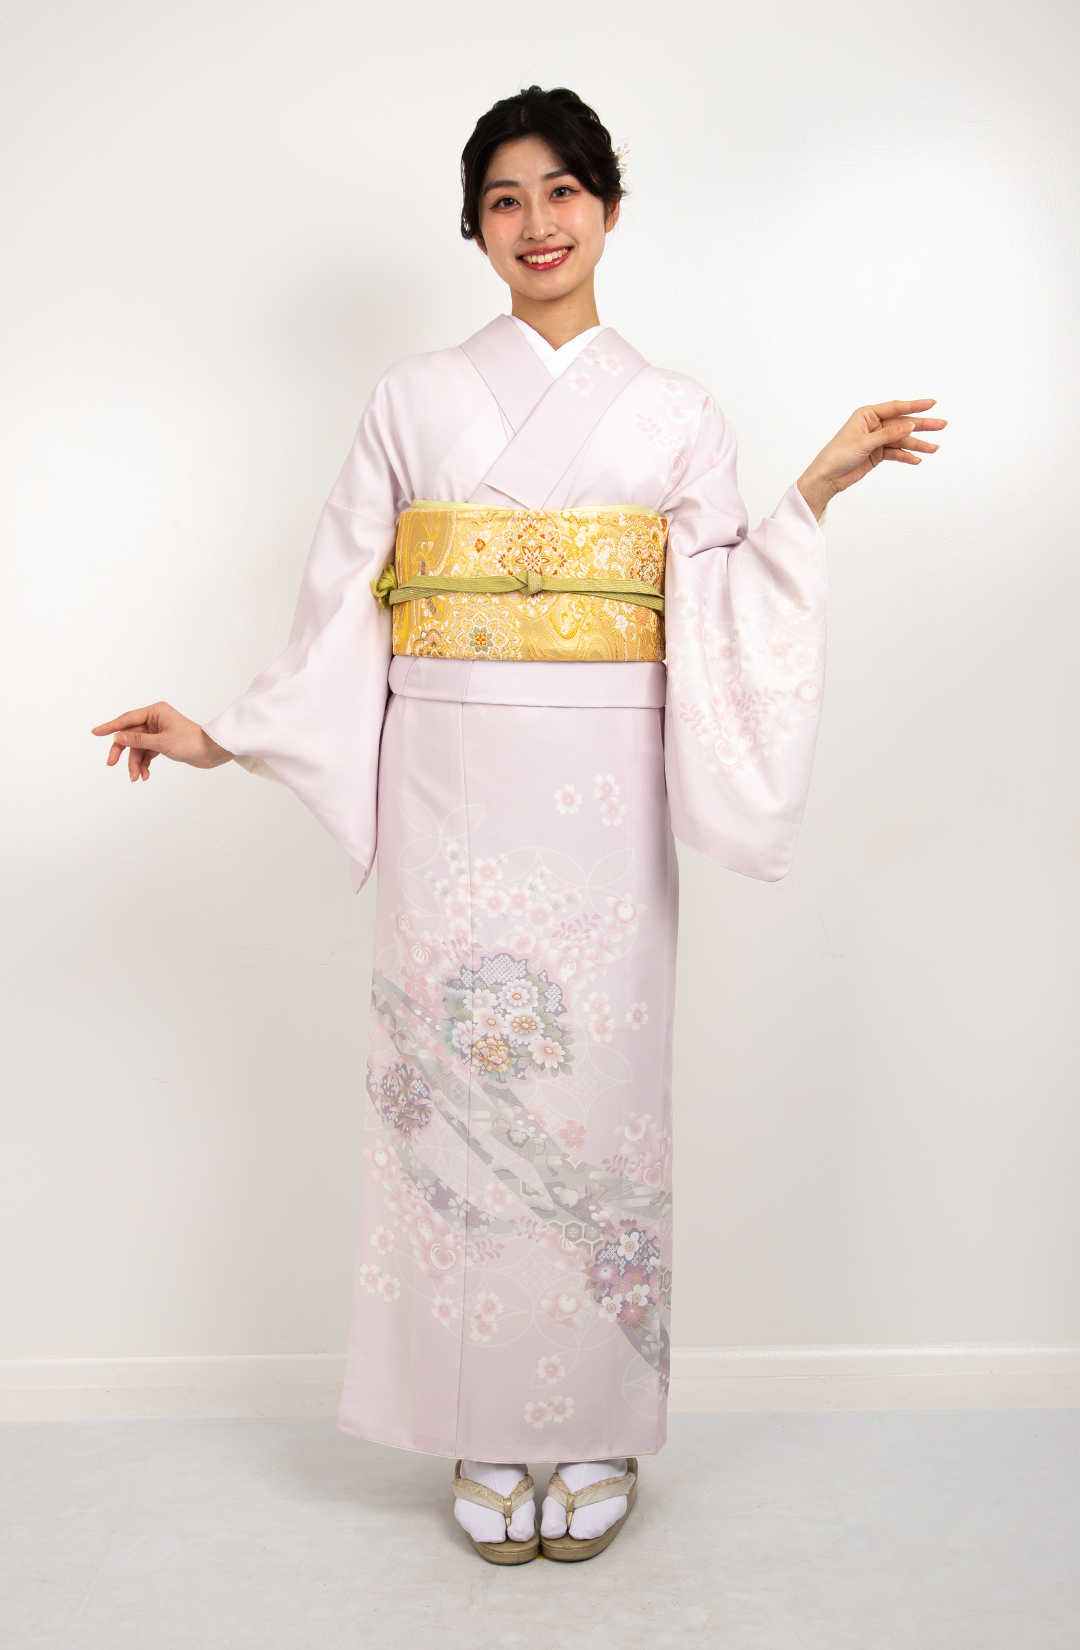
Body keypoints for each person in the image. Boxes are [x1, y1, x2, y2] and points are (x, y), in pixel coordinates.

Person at [93, 86, 944, 1564]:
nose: (536, 224)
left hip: (606, 792)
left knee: (599, 1098)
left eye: (562, 192)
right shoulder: (413, 399)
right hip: (448, 783)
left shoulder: (678, 413)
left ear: (607, 208)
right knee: (461, 1109)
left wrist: (812, 489)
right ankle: (482, 1420)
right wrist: (226, 733)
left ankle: (597, 1422)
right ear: (475, 227)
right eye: (504, 199)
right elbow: (342, 599)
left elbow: (719, 604)